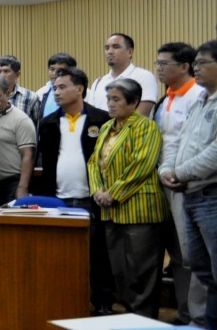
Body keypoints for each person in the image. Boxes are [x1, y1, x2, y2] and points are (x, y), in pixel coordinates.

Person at [37, 67, 115, 315]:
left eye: (62, 87)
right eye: (54, 88)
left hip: (90, 198)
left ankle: (102, 302)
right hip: (57, 199)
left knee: (97, 254)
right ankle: (62, 299)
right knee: (59, 255)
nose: (56, 92)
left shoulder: (101, 119)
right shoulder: (48, 122)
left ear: (79, 89)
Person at [88, 78, 168, 318]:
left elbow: (142, 165)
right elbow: (94, 162)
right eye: (108, 99)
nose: (110, 104)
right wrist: (97, 191)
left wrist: (113, 192)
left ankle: (144, 318)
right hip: (110, 209)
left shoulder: (146, 126)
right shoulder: (106, 127)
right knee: (120, 269)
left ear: (133, 102)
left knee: (142, 269)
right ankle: (129, 315)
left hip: (140, 208)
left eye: (116, 100)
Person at [160, 39, 217, 328]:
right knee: (200, 268)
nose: (197, 68)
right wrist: (167, 170)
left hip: (210, 196)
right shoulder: (202, 100)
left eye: (203, 63)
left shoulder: (205, 98)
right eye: (195, 64)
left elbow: (215, 153)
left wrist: (179, 173)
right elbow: (179, 141)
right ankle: (202, 321)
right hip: (190, 194)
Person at [0, 75, 36, 205]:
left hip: (12, 184)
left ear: (7, 94)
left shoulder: (21, 120)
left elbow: (28, 155)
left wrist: (22, 188)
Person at [87, 33, 159, 116]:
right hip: (102, 129)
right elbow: (92, 114)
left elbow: (141, 115)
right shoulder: (98, 82)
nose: (110, 51)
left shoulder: (144, 77)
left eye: (116, 47)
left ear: (130, 52)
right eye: (107, 48)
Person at [0, 55, 43, 127]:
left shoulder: (30, 97)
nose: (1, 75)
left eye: (6, 71)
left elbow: (38, 126)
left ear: (17, 75)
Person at [36, 53, 78, 119]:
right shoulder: (41, 93)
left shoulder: (82, 92)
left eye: (60, 70)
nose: (54, 73)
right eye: (52, 69)